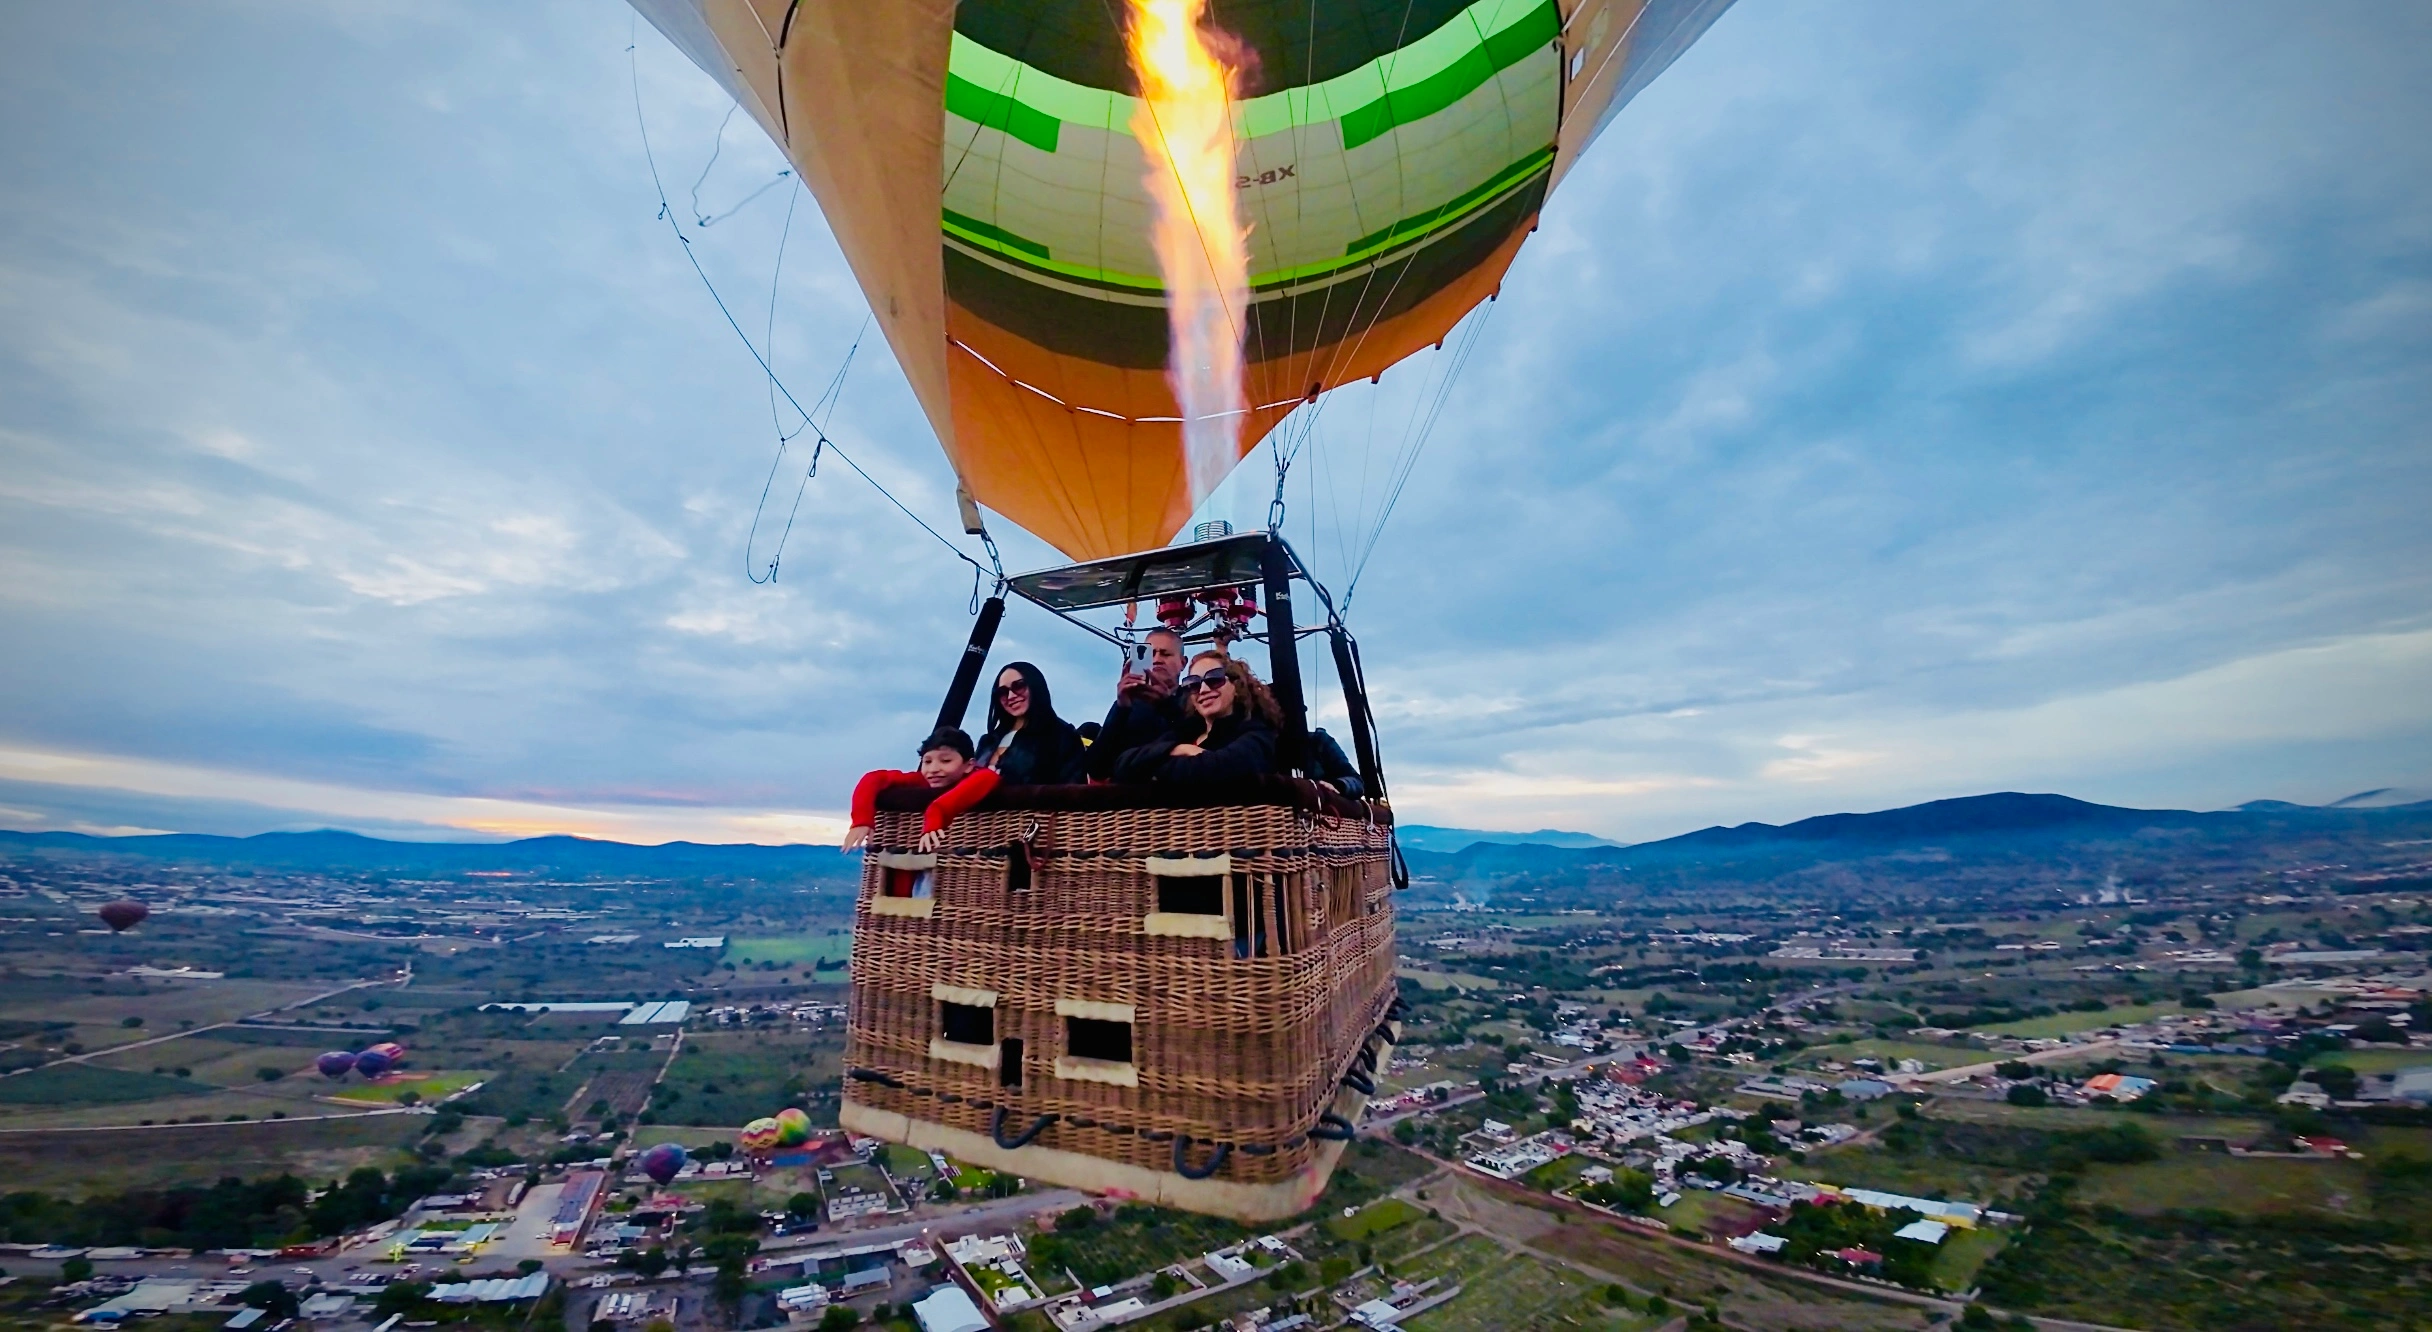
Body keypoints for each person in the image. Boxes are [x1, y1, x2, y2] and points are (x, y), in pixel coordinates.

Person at [1112, 651, 1283, 784]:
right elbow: (1123, 764)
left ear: (1237, 686)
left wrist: (1153, 770)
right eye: (1194, 684)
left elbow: (1219, 771)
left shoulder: (1256, 732)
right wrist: (1180, 749)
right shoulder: (1185, 734)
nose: (1203, 690)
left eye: (1214, 679)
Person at [843, 727, 1000, 853]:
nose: (933, 769)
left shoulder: (975, 778)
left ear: (969, 765)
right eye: (927, 761)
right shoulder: (920, 781)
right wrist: (862, 820)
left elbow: (988, 777)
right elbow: (873, 778)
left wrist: (937, 811)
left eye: (945, 760)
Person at [1085, 627, 1187, 781]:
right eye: (1150, 654)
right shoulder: (1128, 705)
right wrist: (1121, 708)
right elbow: (1097, 768)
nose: (1157, 659)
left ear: (1182, 662)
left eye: (1165, 654)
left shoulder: (1195, 699)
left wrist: (1167, 705)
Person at [974, 662, 1088, 785]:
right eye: (1002, 692)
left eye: (1019, 685)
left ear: (1036, 686)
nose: (1011, 696)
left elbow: (1072, 793)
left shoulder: (1064, 737)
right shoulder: (988, 740)